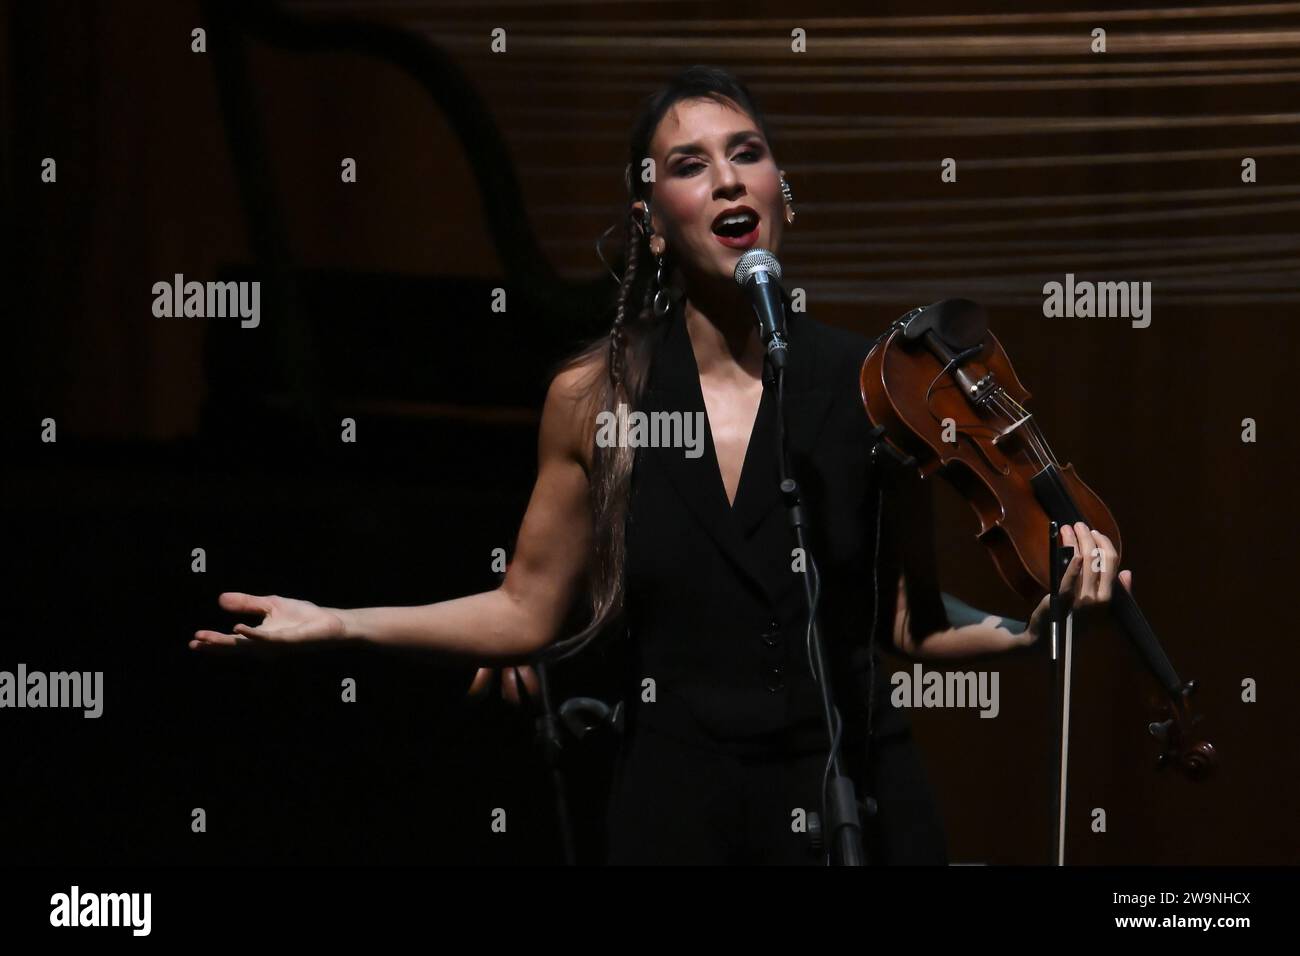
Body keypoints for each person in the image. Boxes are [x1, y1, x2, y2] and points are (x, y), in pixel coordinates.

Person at [192, 65, 1132, 865]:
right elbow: (525, 607)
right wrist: (340, 624)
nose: (728, 182)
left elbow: (905, 618)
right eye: (692, 166)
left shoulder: (877, 385)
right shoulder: (596, 397)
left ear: (783, 193)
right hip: (679, 803)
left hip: (855, 794)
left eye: (748, 154)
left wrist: (1033, 630)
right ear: (652, 221)